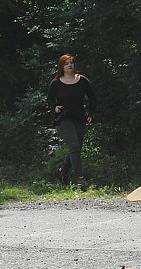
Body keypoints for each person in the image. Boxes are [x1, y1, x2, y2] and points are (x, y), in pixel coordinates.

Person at [47, 54, 95, 184]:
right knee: (74, 145)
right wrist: (54, 107)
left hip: (79, 117)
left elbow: (92, 97)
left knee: (76, 147)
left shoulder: (82, 80)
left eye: (71, 63)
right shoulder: (56, 83)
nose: (70, 65)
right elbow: (49, 100)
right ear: (61, 67)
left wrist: (90, 113)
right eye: (66, 63)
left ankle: (63, 173)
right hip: (63, 118)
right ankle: (79, 179)